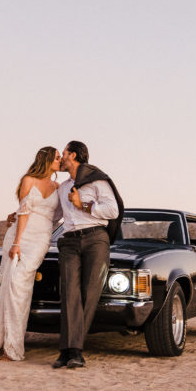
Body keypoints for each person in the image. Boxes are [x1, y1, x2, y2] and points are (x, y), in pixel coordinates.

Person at [0, 146, 63, 361]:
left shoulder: (58, 187)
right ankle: (4, 346)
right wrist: (16, 242)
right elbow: (24, 211)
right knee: (11, 287)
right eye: (56, 157)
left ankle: (12, 346)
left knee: (20, 285)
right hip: (20, 236)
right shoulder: (29, 179)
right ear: (46, 159)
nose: (60, 160)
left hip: (41, 238)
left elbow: (58, 217)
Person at [51, 140, 124, 369]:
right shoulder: (63, 188)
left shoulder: (97, 181)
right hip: (69, 242)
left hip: (95, 240)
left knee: (89, 294)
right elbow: (52, 216)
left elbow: (113, 210)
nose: (61, 157)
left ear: (73, 155)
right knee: (69, 294)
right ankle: (67, 351)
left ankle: (75, 351)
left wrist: (83, 205)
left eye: (63, 153)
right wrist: (21, 215)